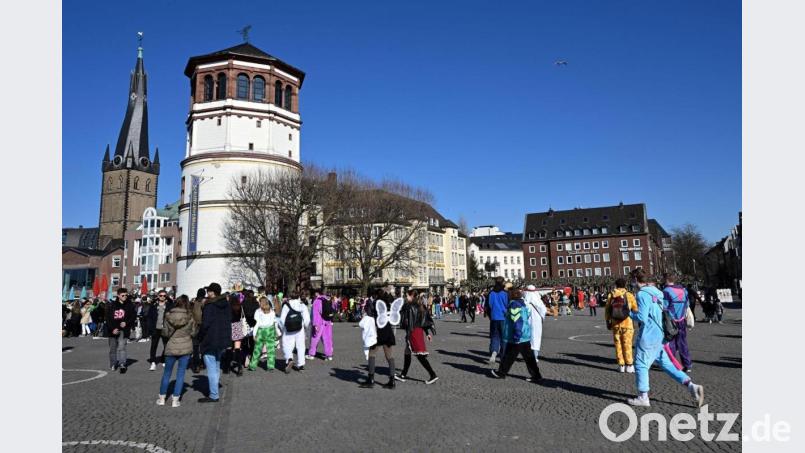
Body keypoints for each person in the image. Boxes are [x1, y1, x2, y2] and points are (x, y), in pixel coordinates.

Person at [628, 269, 704, 408]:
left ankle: (643, 397)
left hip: (648, 335)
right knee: (667, 364)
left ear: (635, 279)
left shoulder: (642, 294)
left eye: (632, 280)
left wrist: (629, 313)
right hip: (660, 333)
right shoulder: (657, 292)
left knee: (640, 364)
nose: (631, 282)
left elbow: (642, 317)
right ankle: (691, 386)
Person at [490, 287, 542, 382]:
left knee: (509, 356)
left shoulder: (514, 305)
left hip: (517, 336)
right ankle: (536, 375)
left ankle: (501, 373)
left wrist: (517, 334)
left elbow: (517, 321)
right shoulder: (523, 304)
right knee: (528, 357)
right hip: (524, 335)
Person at [156, 295, 195, 408]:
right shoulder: (190, 316)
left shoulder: (168, 316)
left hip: (171, 346)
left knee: (167, 373)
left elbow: (165, 333)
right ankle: (175, 399)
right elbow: (193, 333)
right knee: (181, 374)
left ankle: (162, 397)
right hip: (186, 347)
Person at [396, 290, 439, 384]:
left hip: (413, 331)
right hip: (417, 331)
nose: (406, 297)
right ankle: (403, 374)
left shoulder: (409, 306)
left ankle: (433, 374)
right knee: (407, 352)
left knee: (420, 355)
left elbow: (403, 318)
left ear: (411, 296)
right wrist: (427, 333)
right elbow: (423, 321)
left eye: (407, 295)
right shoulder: (420, 306)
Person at [198, 283, 231, 403]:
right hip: (222, 338)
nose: (207, 293)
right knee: (216, 364)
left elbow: (205, 324)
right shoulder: (226, 304)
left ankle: (213, 394)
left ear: (212, 292)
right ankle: (215, 389)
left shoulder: (210, 305)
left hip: (210, 339)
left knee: (211, 366)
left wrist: (199, 337)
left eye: (209, 291)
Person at [359, 289, 398, 389]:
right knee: (389, 355)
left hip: (379, 331)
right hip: (388, 330)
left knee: (372, 353)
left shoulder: (376, 303)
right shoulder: (388, 302)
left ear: (376, 295)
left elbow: (371, 315)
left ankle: (371, 379)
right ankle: (392, 380)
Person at [605, 278, 639, 373]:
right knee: (627, 344)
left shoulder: (611, 295)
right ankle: (629, 365)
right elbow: (636, 309)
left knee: (618, 345)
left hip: (615, 323)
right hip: (627, 323)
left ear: (616, 285)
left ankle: (621, 365)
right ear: (625, 285)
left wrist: (608, 321)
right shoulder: (629, 295)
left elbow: (607, 310)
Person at [662, 272, 692, 372]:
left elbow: (664, 307)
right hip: (682, 319)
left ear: (666, 279)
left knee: (671, 343)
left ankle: (672, 364)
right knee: (683, 343)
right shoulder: (684, 290)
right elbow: (687, 304)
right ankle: (687, 364)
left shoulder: (666, 291)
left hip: (670, 320)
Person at [278, 292, 311, 373]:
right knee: (301, 347)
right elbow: (307, 319)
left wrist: (282, 329)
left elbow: (281, 320)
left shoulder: (286, 305)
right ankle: (301, 365)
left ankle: (289, 359)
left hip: (288, 329)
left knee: (287, 345)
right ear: (298, 296)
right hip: (299, 329)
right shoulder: (302, 305)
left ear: (290, 297)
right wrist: (306, 329)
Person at [106, 288, 136, 373]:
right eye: (123, 295)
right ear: (118, 295)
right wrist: (112, 329)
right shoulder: (112, 305)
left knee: (122, 348)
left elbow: (133, 316)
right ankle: (113, 364)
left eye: (126, 295)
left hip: (124, 330)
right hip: (113, 330)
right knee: (112, 349)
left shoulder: (130, 305)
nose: (125, 297)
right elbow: (108, 318)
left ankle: (122, 364)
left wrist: (126, 322)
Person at [249, 296, 277, 372]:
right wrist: (276, 332)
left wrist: (254, 334)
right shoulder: (272, 311)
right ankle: (271, 366)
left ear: (260, 303)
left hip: (261, 331)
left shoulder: (258, 311)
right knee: (271, 350)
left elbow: (256, 324)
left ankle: (252, 366)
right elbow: (274, 322)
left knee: (257, 349)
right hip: (270, 331)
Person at [148, 291, 174, 371]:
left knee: (166, 346)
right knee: (154, 346)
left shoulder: (170, 306)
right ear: (158, 296)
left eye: (164, 296)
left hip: (165, 329)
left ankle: (163, 359)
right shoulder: (153, 306)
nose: (162, 297)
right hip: (155, 329)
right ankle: (153, 362)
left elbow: (172, 317)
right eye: (161, 295)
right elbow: (149, 318)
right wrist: (150, 329)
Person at [307, 291, 335, 361]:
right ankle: (329, 355)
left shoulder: (317, 301)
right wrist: (331, 320)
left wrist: (315, 324)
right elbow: (333, 310)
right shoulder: (329, 300)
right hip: (328, 322)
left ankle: (311, 354)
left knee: (315, 339)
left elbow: (316, 313)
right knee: (328, 339)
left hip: (319, 322)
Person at [486, 277, 508, 363]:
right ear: (503, 283)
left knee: (495, 336)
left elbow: (488, 306)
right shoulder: (505, 293)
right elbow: (508, 305)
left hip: (494, 317)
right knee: (504, 338)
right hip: (503, 318)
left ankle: (494, 351)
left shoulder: (491, 293)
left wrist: (490, 316)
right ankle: (503, 356)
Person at [523, 285, 547, 363]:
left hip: (527, 321)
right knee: (536, 337)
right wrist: (542, 318)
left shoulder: (524, 301)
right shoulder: (538, 300)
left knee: (527, 338)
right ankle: (535, 356)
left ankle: (527, 356)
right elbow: (543, 310)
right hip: (536, 321)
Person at [229, 293, 246, 376]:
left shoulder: (228, 307)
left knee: (229, 348)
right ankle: (239, 367)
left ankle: (227, 366)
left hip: (230, 327)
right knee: (237, 348)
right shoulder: (240, 306)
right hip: (237, 326)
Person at [190, 288, 206, 373]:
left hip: (195, 326)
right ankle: (201, 363)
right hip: (202, 326)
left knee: (196, 347)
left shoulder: (194, 302)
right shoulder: (204, 302)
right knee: (201, 346)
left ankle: (197, 365)